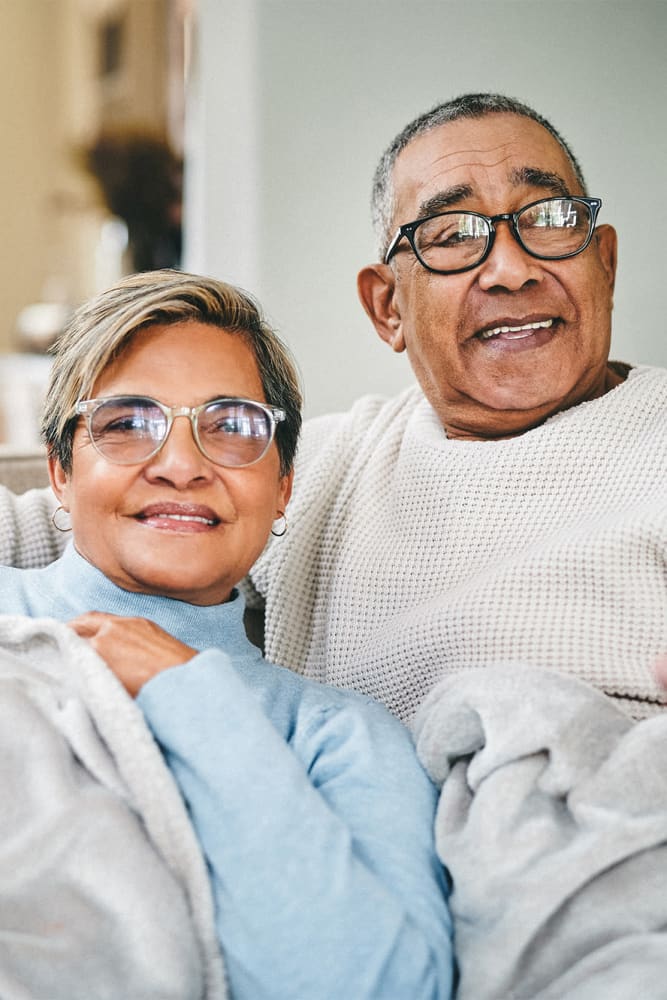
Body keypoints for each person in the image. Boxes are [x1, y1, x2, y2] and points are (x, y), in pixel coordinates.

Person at [0, 93, 665, 721]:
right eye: (451, 234)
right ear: (386, 307)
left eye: (546, 218)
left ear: (603, 262)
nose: (509, 269)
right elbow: (73, 515)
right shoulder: (319, 465)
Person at [0, 271, 454, 1000]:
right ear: (59, 472)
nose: (182, 467)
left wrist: (197, 706)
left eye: (232, 426)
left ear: (281, 488)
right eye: (125, 423)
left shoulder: (333, 734)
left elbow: (381, 986)